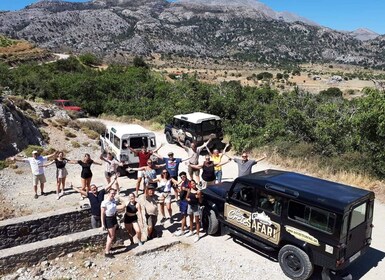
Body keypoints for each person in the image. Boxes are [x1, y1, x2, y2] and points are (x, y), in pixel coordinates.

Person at [101, 188, 124, 258]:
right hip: (108, 219)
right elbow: (102, 214)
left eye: (114, 193)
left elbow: (115, 209)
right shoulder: (104, 202)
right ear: (108, 193)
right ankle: (107, 252)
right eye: (112, 193)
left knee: (111, 235)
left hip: (113, 217)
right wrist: (103, 224)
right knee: (111, 236)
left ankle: (108, 248)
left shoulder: (113, 200)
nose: (113, 195)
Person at [174, 171, 190, 237]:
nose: (182, 178)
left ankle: (182, 230)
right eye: (181, 177)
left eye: (183, 176)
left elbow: (190, 190)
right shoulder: (183, 183)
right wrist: (175, 187)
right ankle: (185, 226)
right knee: (183, 215)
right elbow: (180, 192)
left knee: (183, 216)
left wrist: (186, 189)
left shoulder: (189, 182)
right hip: (182, 201)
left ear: (186, 175)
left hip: (185, 201)